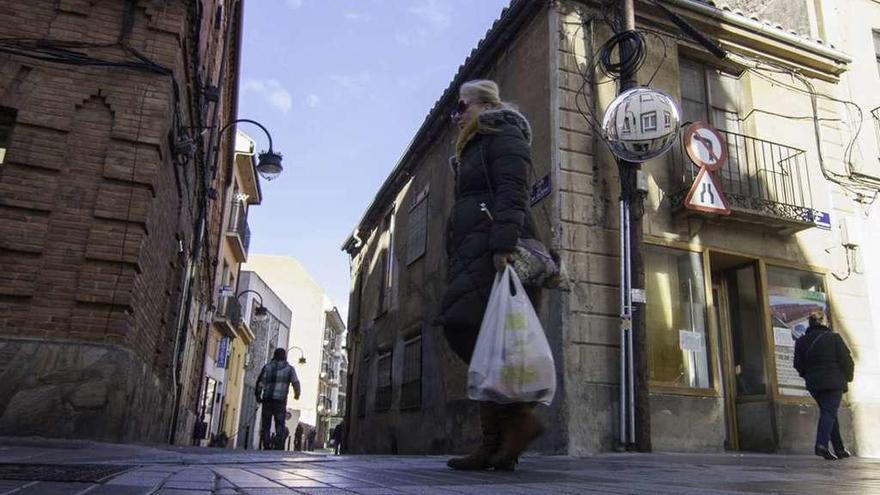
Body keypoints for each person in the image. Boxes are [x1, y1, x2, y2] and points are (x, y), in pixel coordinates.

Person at [437, 79, 545, 471]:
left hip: (493, 250)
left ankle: (519, 420)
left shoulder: (502, 133)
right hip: (473, 252)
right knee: (489, 345)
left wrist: (503, 245)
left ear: (483, 105)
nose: (456, 116)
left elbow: (512, 189)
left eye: (460, 108)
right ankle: (495, 446)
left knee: (460, 322)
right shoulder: (472, 147)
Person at [794, 312, 854, 460]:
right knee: (829, 413)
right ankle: (821, 445)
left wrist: (808, 375)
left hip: (814, 384)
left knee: (829, 412)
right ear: (824, 322)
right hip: (833, 382)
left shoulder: (801, 342)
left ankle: (839, 449)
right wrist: (848, 377)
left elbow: (797, 364)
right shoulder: (834, 338)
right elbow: (847, 360)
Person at [256, 348, 301, 450]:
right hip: (280, 401)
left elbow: (260, 382)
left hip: (267, 400)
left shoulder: (267, 367)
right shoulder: (290, 369)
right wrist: (297, 394)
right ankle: (278, 445)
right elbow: (295, 382)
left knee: (266, 425)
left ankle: (266, 445)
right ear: (284, 356)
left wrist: (258, 395)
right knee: (280, 424)